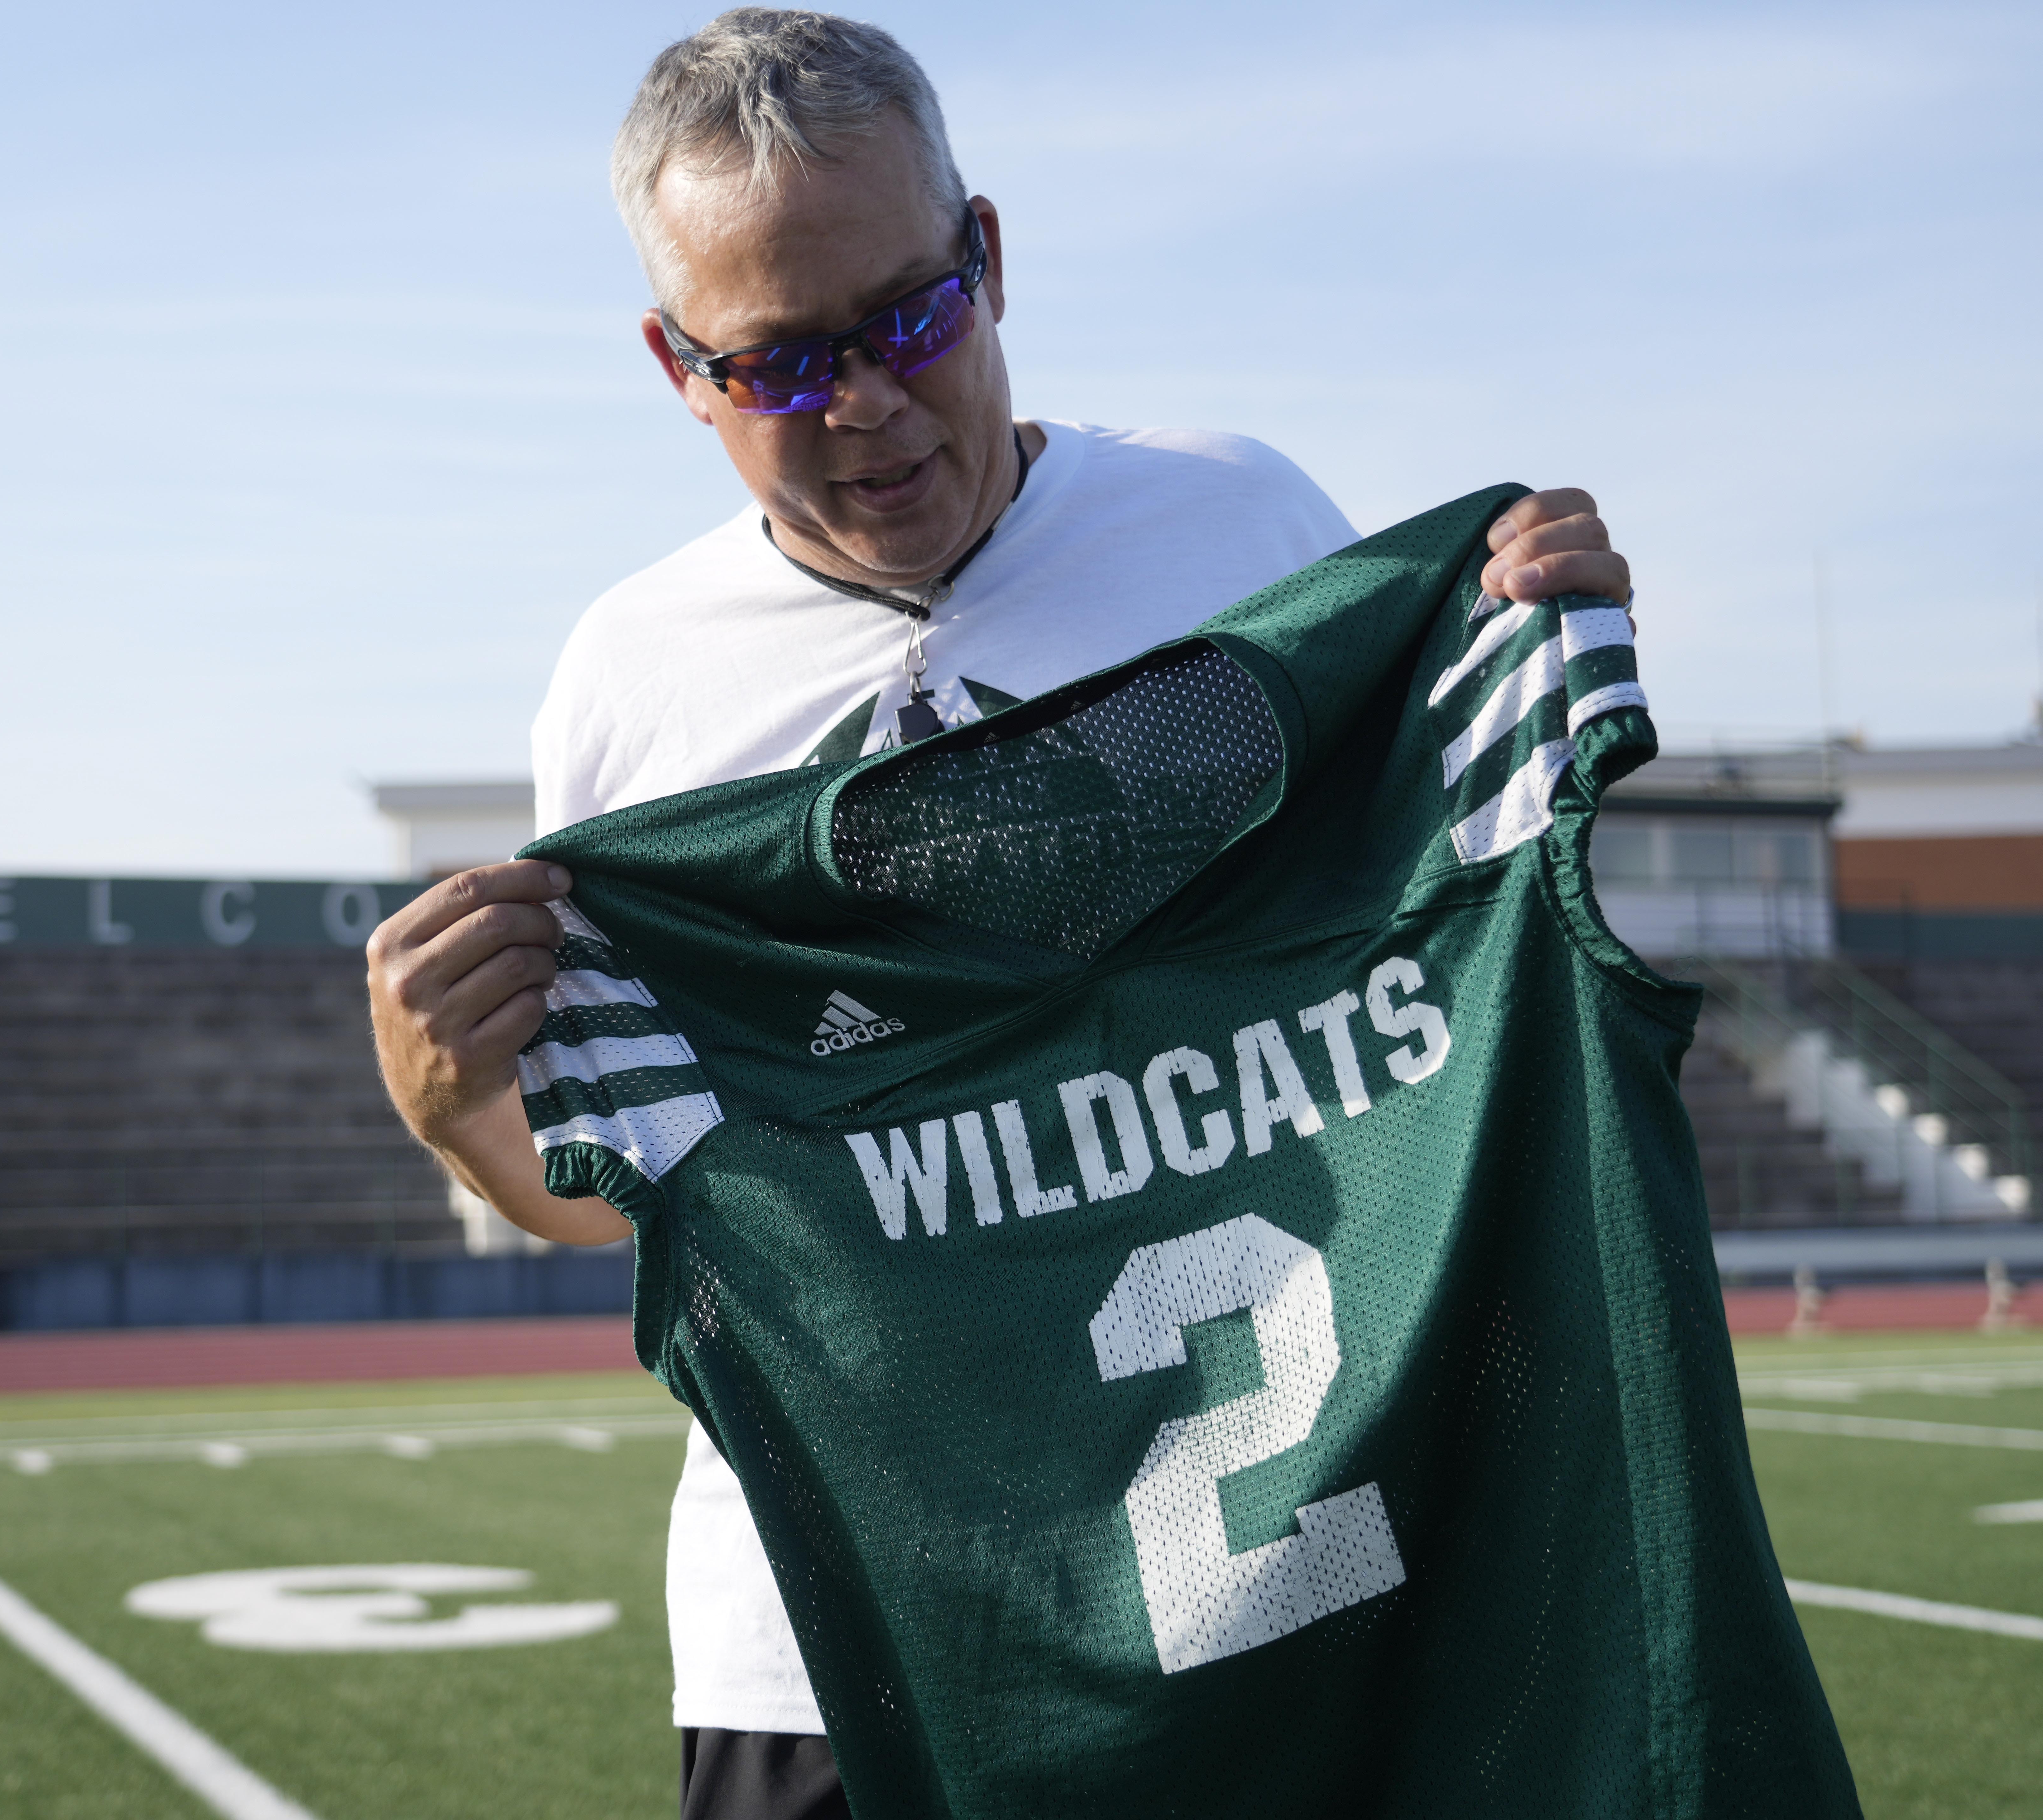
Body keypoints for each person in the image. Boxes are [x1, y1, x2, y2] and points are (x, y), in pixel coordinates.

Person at [368, 11, 1636, 1816]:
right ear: (678, 366)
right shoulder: (630, 694)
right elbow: (631, 1199)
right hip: (832, 1619)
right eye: (785, 366)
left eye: (908, 318)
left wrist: (1526, 666)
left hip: (1279, 1549)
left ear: (988, 254)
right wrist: (453, 1114)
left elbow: (1432, 968)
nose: (871, 404)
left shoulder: (1240, 531)